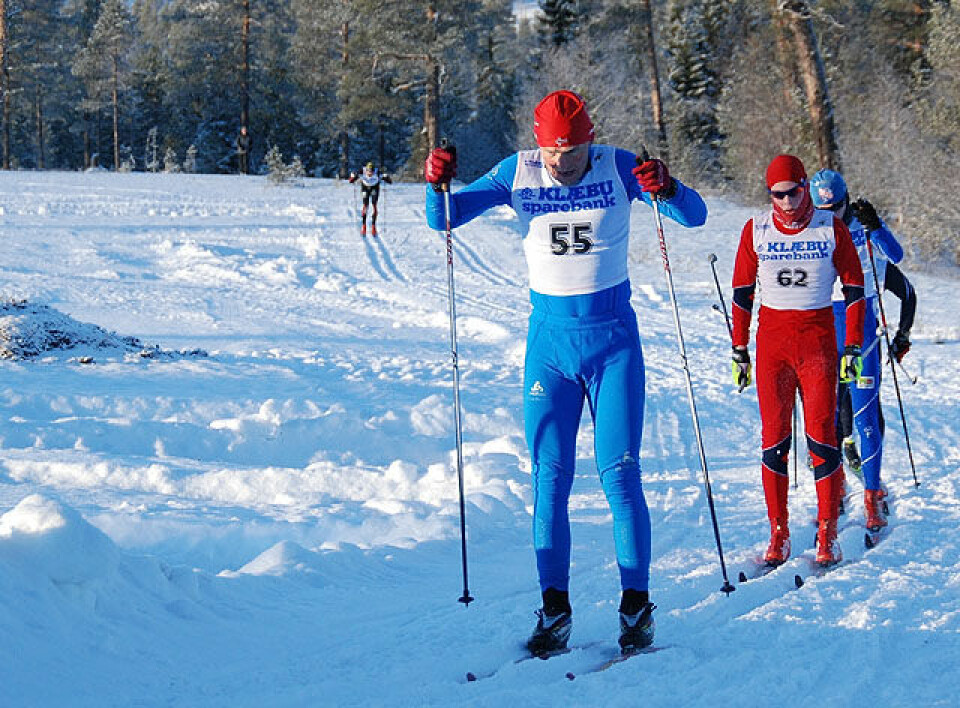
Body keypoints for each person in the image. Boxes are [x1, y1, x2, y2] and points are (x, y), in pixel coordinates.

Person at [423, 90, 707, 656]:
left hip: (613, 344)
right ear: (538, 145)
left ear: (589, 141)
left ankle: (635, 609)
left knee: (619, 473)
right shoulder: (518, 171)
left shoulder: (618, 164)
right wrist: (436, 183)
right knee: (549, 478)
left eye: (572, 153)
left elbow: (693, 216)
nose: (563, 165)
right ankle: (554, 610)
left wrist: (667, 187)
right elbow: (444, 219)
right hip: (550, 346)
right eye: (554, 155)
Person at [730, 155, 865, 568]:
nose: (786, 202)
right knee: (774, 441)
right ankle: (779, 532)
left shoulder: (831, 228)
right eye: (777, 195)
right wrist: (740, 349)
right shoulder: (756, 230)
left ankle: (827, 532)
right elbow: (741, 292)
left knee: (822, 437)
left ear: (805, 187)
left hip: (819, 345)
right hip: (773, 347)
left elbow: (855, 287)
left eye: (792, 192)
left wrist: (854, 347)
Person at [809, 169, 918, 532]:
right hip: (824, 333)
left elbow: (898, 259)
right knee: (826, 420)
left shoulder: (862, 231)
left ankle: (873, 496)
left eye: (838, 207)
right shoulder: (810, 226)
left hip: (863, 333)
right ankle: (834, 491)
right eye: (825, 207)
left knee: (865, 418)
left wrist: (877, 225)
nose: (833, 214)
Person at [348, 161, 392, 236]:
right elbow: (351, 180)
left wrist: (386, 177)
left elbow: (389, 181)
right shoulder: (362, 171)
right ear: (366, 170)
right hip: (365, 188)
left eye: (371, 172)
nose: (370, 174)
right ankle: (364, 226)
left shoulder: (377, 172)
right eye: (368, 172)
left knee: (374, 205)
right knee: (365, 205)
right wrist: (352, 177)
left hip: (374, 187)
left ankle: (373, 227)